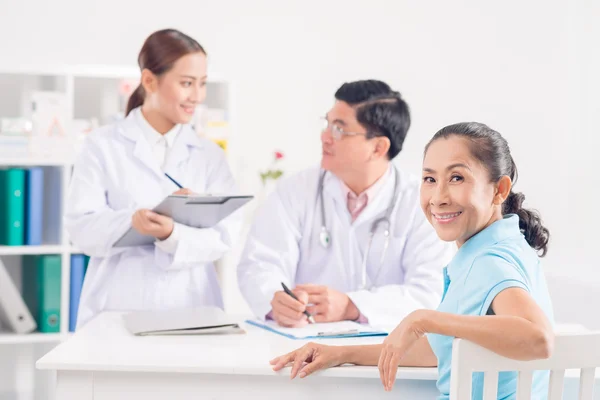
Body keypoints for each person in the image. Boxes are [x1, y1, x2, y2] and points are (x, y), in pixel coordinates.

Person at [270, 122, 555, 400]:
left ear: (499, 190)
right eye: (430, 179)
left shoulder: (489, 262)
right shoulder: (506, 245)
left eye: (457, 178)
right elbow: (439, 350)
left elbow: (538, 338)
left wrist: (425, 318)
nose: (439, 197)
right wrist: (341, 353)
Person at [237, 80, 455, 330]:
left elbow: (428, 292)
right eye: (327, 124)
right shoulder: (294, 191)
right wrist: (275, 299)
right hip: (303, 347)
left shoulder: (420, 202)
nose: (325, 136)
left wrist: (352, 306)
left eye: (339, 129)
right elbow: (259, 264)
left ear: (378, 147)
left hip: (386, 351)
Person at [65, 29, 241, 329]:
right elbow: (81, 228)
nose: (197, 96)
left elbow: (225, 235)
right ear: (149, 81)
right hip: (118, 307)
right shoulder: (102, 145)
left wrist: (172, 234)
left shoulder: (208, 154)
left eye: (202, 84)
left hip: (192, 308)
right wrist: (132, 222)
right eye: (186, 83)